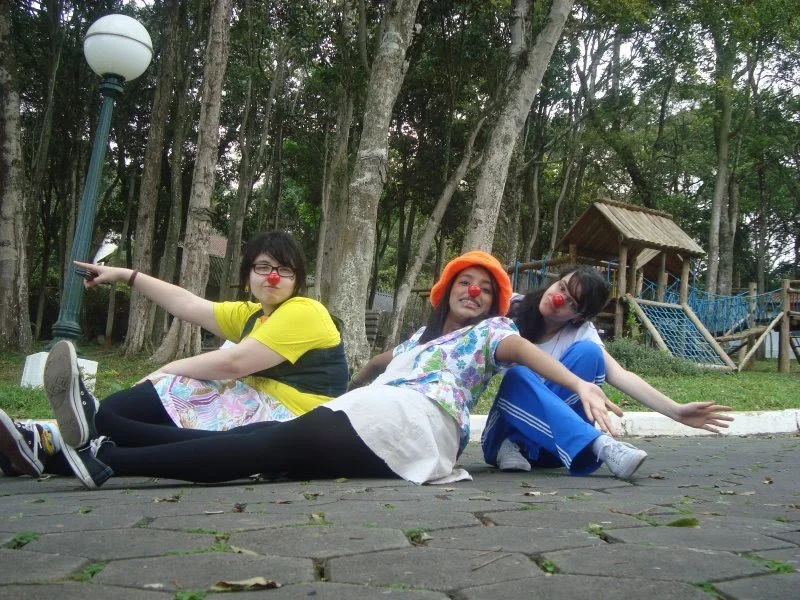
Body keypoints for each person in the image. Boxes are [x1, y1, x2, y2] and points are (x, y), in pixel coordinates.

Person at [10, 251, 644, 490]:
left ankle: (108, 454)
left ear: (496, 301)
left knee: (265, 446)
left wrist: (580, 385)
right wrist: (359, 376)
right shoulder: (421, 339)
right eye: (464, 282)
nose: (473, 292)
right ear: (446, 289)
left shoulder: (494, 333)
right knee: (259, 447)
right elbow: (379, 363)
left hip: (414, 423)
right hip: (372, 410)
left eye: (485, 287)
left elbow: (528, 355)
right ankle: (94, 447)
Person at [0, 231, 347, 480]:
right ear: (247, 275)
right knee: (153, 407)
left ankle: (69, 431)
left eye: (285, 270)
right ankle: (42, 447)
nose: (273, 276)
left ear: (297, 280)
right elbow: (187, 304)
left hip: (293, 418)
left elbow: (234, 363)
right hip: (248, 405)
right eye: (263, 266)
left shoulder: (306, 310)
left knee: (177, 386)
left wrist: (167, 369)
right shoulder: (253, 315)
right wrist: (125, 275)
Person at [481, 265, 734, 476]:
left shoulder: (580, 333)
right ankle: (601, 446)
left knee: (590, 353)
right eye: (562, 287)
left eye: (571, 303)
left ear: (578, 316)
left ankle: (583, 441)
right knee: (519, 375)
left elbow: (621, 375)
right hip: (502, 441)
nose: (558, 299)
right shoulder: (510, 307)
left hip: (552, 450)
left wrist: (676, 411)